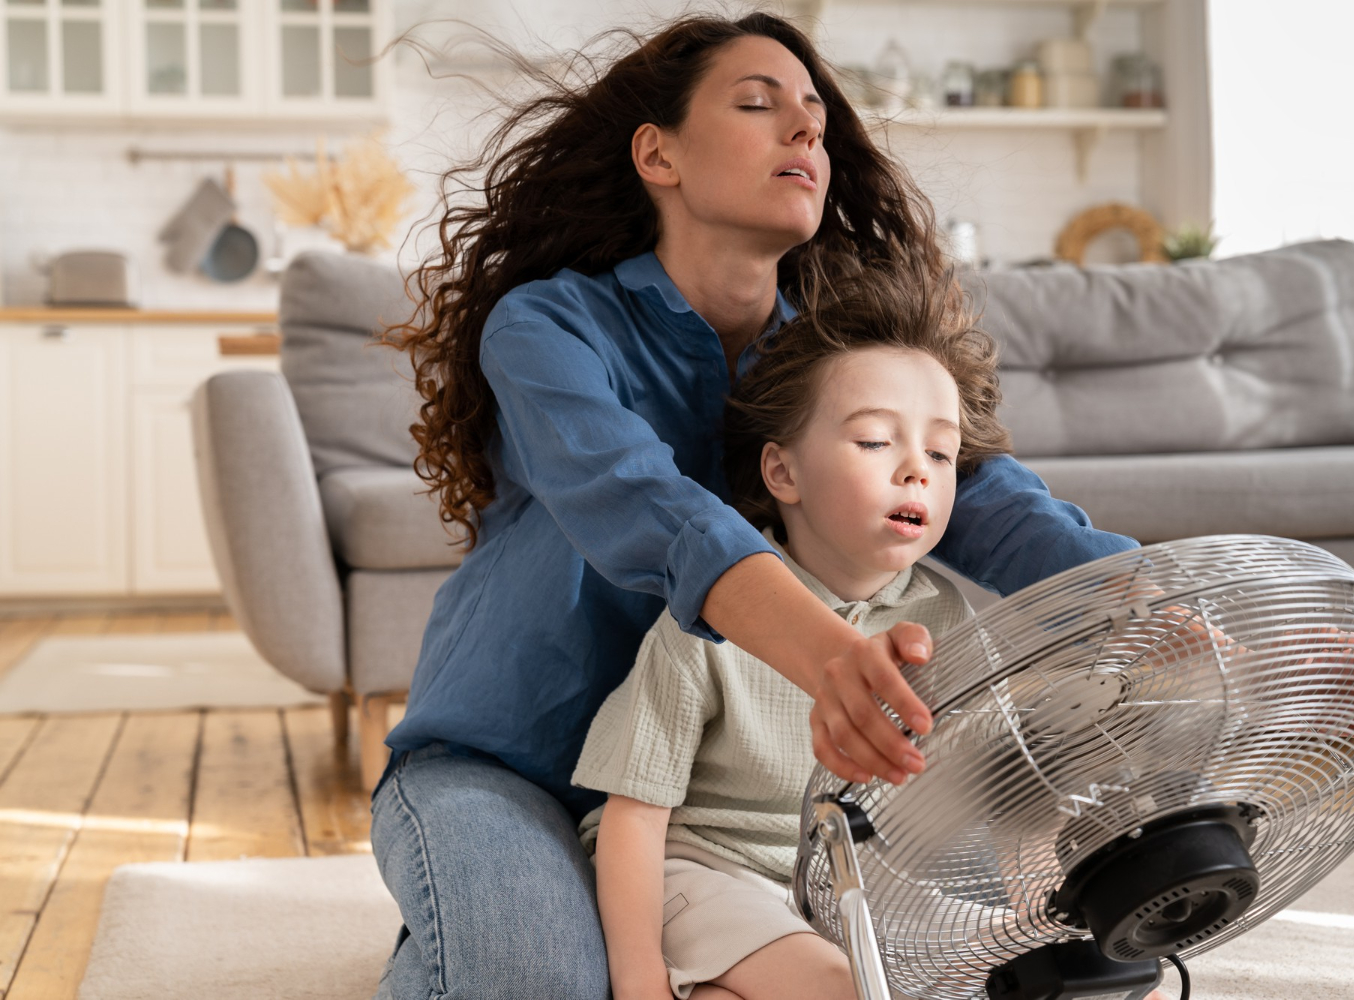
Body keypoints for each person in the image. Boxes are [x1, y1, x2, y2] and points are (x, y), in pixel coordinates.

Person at [374, 12, 1138, 999]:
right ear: (659, 154)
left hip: (714, 823)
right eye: (757, 103)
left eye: (817, 115)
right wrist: (834, 660)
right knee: (539, 980)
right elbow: (647, 505)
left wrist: (1177, 607)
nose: (805, 130)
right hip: (503, 763)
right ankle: (470, 925)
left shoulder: (835, 358)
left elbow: (995, 502)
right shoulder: (549, 325)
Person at [573, 259, 1005, 1000]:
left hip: (856, 889)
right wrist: (638, 982)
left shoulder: (944, 616)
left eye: (940, 452)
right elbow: (634, 817)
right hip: (707, 872)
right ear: (783, 473)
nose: (917, 473)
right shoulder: (716, 614)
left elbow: (991, 795)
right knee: (844, 990)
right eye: (876, 441)